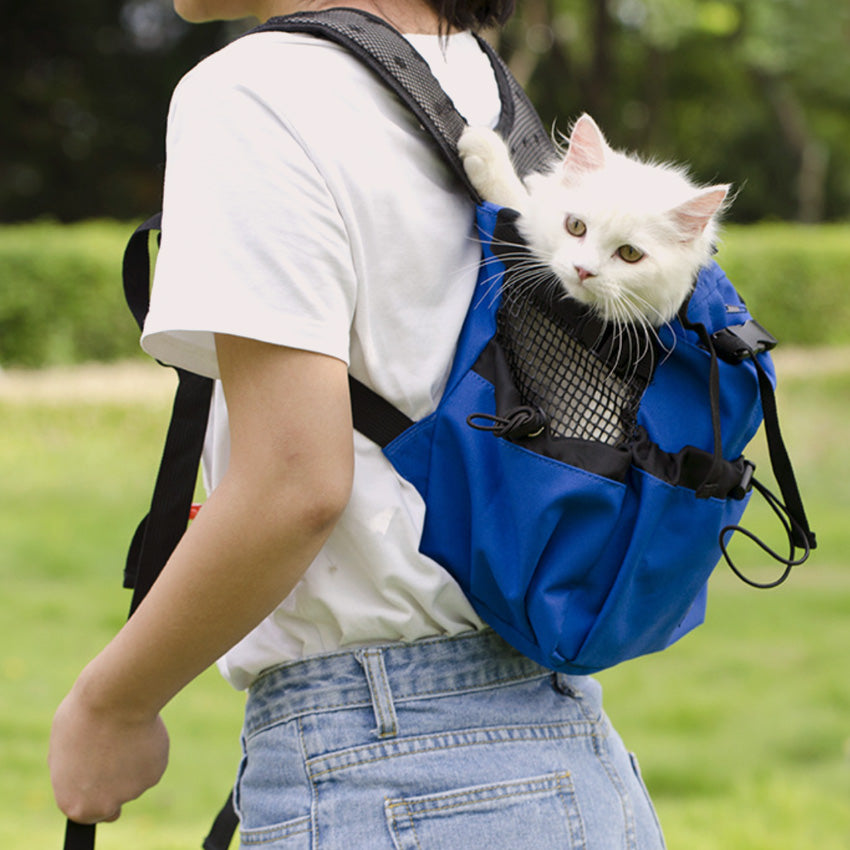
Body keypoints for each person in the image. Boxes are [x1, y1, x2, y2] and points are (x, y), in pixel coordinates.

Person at [49, 0, 667, 846]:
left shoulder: (252, 90)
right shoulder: (481, 86)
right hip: (569, 763)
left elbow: (294, 485)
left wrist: (110, 706)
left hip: (389, 775)